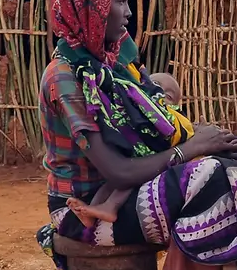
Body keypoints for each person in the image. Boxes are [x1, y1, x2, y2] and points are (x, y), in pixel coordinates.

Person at [36, 0, 237, 270]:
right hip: (85, 209)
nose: (129, 12)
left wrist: (198, 136)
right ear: (91, 7)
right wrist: (191, 148)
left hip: (139, 184)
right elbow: (117, 171)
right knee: (211, 179)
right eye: (120, 2)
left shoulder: (116, 62)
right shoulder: (65, 76)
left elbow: (156, 122)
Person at [64, 72, 192, 227]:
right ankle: (91, 210)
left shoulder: (174, 117)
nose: (159, 94)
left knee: (128, 180)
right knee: (111, 182)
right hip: (134, 159)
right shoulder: (134, 106)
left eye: (168, 95)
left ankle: (110, 207)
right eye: (153, 85)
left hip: (152, 165)